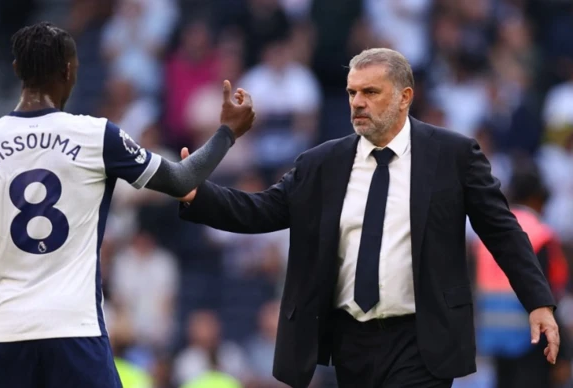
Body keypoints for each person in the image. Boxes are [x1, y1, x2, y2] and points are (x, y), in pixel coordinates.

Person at [177, 48, 560, 388]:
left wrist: (538, 301)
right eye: (351, 92)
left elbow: (501, 229)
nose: (357, 102)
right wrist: (197, 192)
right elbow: (260, 212)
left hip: (422, 338)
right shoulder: (321, 163)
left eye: (370, 92)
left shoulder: (452, 155)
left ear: (405, 97)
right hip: (350, 341)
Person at [0, 21, 255, 388]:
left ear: (16, 71)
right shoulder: (96, 135)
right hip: (75, 327)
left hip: (10, 331)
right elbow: (182, 180)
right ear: (70, 70)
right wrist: (226, 133)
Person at [472, 162, 571, 388]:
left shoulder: (487, 234)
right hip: (532, 343)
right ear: (539, 198)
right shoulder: (539, 233)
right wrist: (564, 353)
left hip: (494, 336)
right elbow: (549, 297)